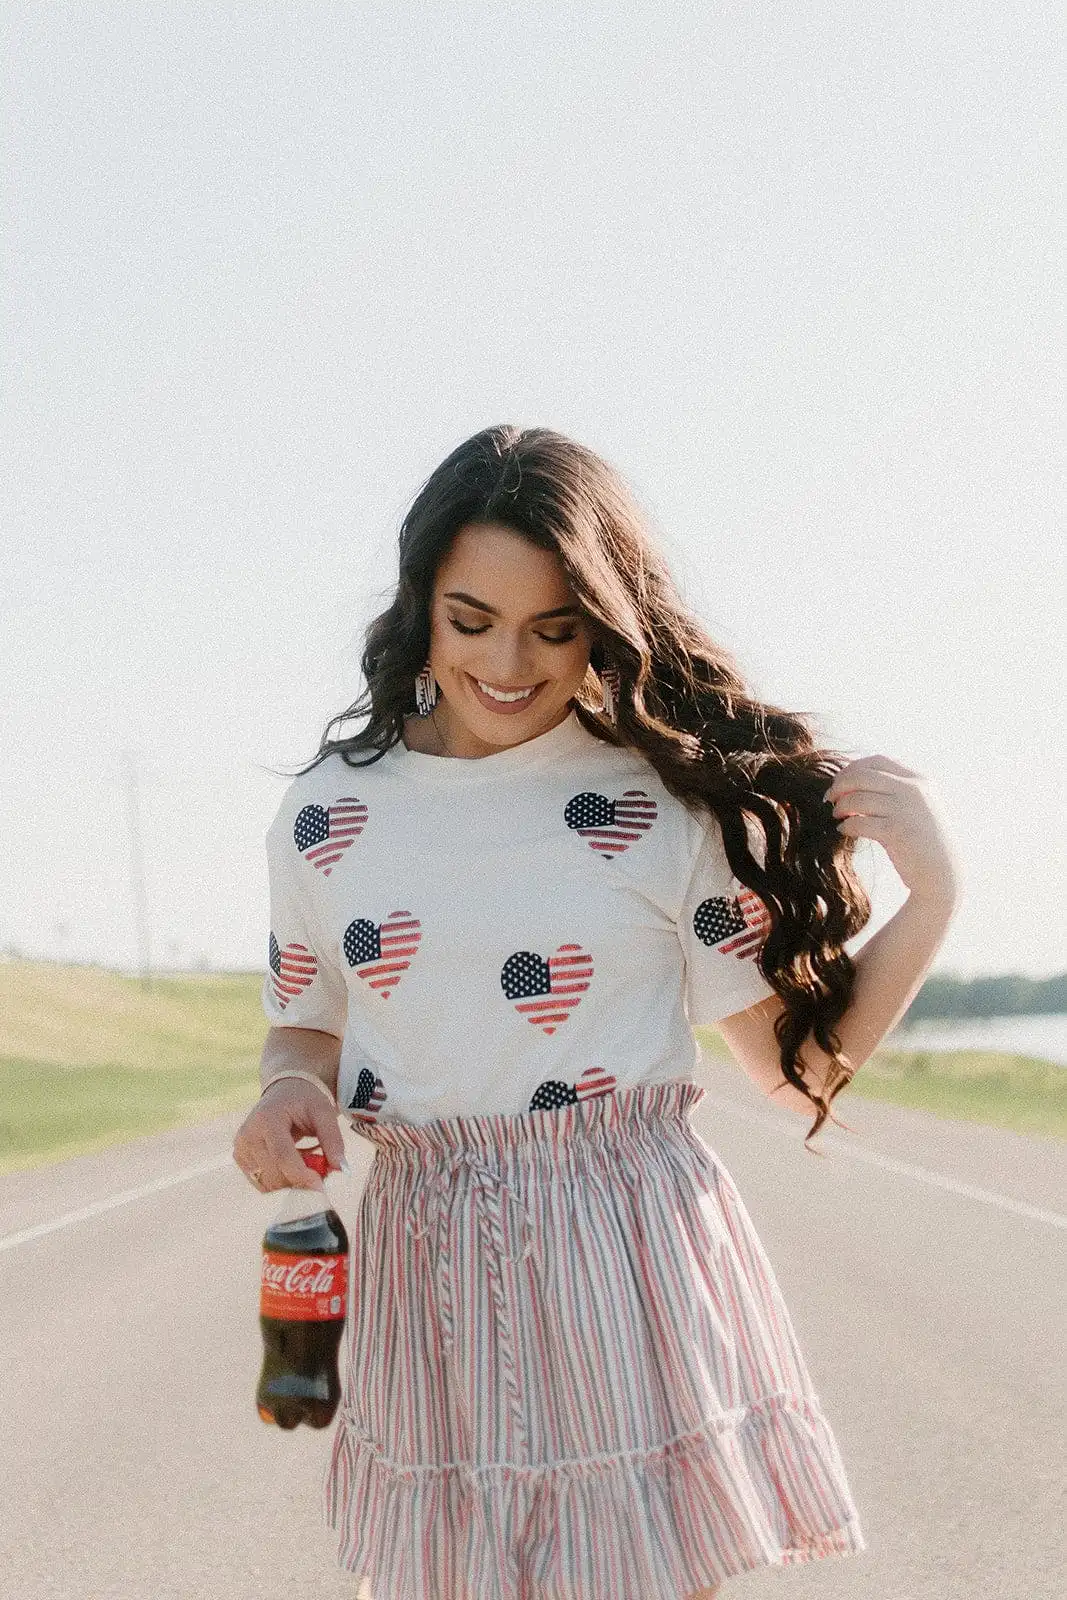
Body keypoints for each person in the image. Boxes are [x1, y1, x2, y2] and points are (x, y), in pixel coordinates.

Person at [233, 424, 961, 1598]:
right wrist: (286, 1088)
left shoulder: (660, 807)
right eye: (471, 619)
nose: (508, 661)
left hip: (624, 1252)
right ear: (420, 603)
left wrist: (933, 898)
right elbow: (303, 1018)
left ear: (603, 624)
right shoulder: (327, 815)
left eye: (553, 628)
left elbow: (796, 1071)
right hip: (429, 1261)